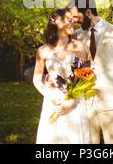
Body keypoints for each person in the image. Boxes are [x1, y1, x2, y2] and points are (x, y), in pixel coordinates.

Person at [67, 0, 113, 144]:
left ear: (88, 12)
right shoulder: (77, 36)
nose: (75, 21)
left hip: (111, 101)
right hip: (86, 102)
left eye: (76, 16)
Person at [33, 8, 92, 144]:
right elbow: (37, 79)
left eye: (74, 21)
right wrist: (49, 96)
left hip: (75, 102)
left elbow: (86, 75)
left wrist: (71, 100)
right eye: (69, 20)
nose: (73, 23)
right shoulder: (43, 51)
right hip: (53, 102)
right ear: (58, 23)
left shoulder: (79, 47)